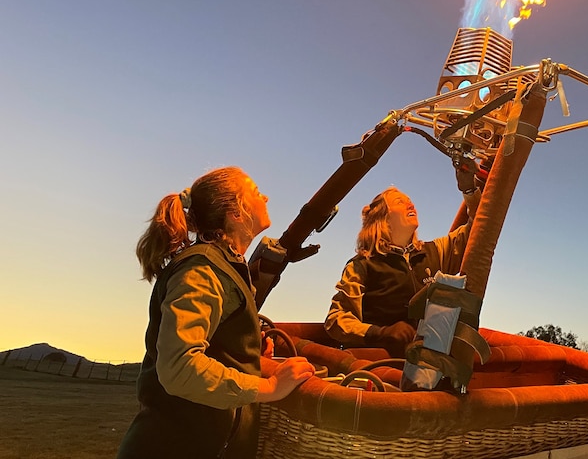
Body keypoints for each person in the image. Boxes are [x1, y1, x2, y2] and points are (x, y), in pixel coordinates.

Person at [116, 166, 315, 459]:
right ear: (237, 212)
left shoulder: (223, 265)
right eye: (257, 193)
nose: (267, 197)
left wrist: (246, 356)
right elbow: (180, 368)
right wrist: (270, 385)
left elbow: (213, 349)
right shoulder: (203, 268)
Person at [324, 165, 480, 356]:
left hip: (428, 365)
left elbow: (480, 227)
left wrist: (470, 190)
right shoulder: (362, 265)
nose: (411, 205)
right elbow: (336, 319)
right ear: (382, 217)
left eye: (411, 201)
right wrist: (381, 333)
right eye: (400, 201)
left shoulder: (434, 251)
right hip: (380, 366)